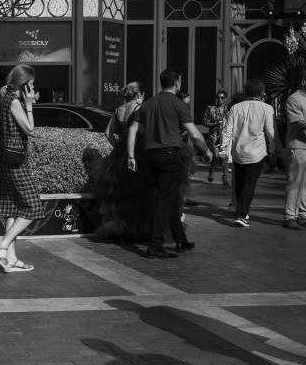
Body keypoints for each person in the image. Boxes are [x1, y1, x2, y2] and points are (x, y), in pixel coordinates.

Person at [127, 69, 213, 258]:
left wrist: (131, 156)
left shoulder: (147, 104)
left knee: (170, 197)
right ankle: (154, 245)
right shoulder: (178, 104)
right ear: (177, 83)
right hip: (169, 155)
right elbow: (195, 134)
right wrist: (206, 151)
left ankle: (180, 241)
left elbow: (133, 129)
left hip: (150, 156)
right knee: (166, 200)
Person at [0, 65, 43, 272]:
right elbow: (30, 129)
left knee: (13, 208)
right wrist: (29, 106)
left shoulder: (5, 96)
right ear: (24, 84)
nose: (32, 90)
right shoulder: (13, 101)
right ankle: (1, 244)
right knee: (33, 207)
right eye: (31, 85)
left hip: (5, 158)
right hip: (15, 161)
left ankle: (10, 258)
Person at [94, 82, 150, 242]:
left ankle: (119, 229)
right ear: (139, 94)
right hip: (137, 152)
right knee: (138, 196)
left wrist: (117, 146)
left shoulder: (119, 110)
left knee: (120, 197)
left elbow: (107, 133)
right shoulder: (140, 109)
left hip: (118, 155)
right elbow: (143, 131)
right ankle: (137, 230)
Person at [219, 79, 276, 228]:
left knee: (240, 182)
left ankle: (240, 210)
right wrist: (275, 147)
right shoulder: (267, 108)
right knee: (249, 184)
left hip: (238, 151)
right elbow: (270, 132)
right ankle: (241, 214)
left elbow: (227, 130)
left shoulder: (235, 108)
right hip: (256, 152)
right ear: (262, 93)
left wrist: (223, 149)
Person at [283, 68, 306, 229]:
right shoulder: (294, 99)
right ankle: (290, 215)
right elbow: (298, 122)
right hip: (297, 146)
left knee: (305, 183)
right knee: (295, 181)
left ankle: (303, 213)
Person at [203, 89, 229, 185]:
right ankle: (211, 171)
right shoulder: (210, 109)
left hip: (225, 136)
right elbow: (205, 122)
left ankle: (225, 177)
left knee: (225, 157)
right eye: (218, 97)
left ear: (225, 99)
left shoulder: (228, 110)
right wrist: (214, 124)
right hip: (214, 135)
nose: (220, 99)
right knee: (216, 156)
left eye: (222, 97)